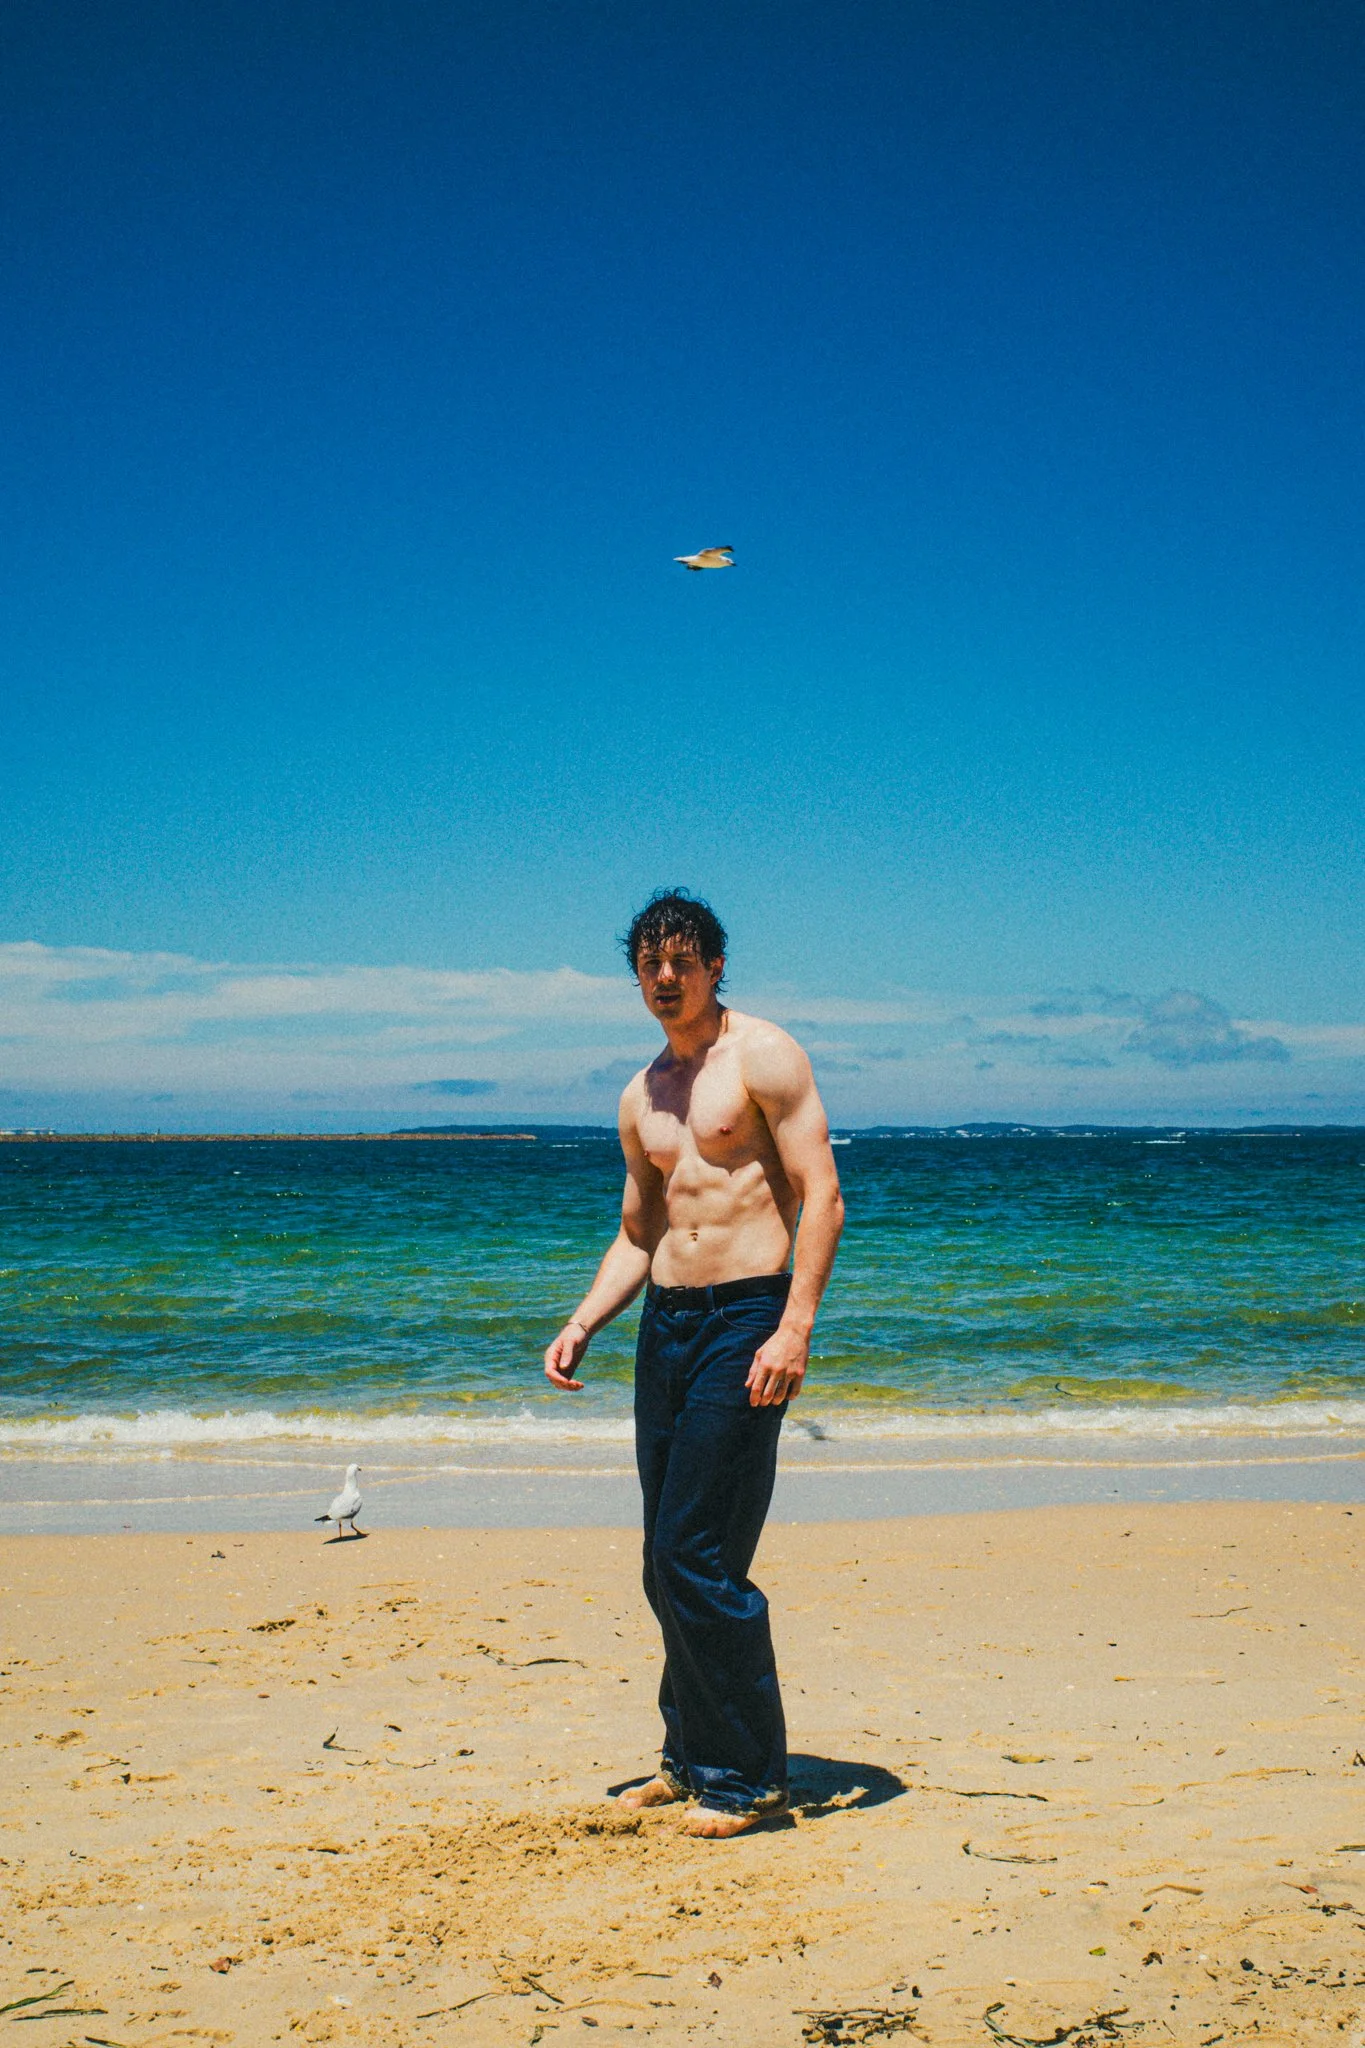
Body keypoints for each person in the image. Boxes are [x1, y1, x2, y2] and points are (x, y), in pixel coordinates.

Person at [544, 889, 844, 1838]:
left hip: (746, 1320)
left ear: (715, 966)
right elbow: (640, 1233)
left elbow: (823, 1194)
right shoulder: (641, 1095)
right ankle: (689, 1755)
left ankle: (748, 1779)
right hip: (665, 1327)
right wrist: (584, 1321)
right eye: (649, 964)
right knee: (662, 1560)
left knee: (696, 1554)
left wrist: (793, 1328)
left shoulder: (764, 1056)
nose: (665, 978)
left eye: (681, 961)